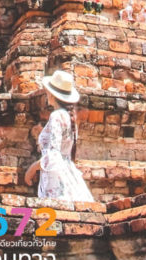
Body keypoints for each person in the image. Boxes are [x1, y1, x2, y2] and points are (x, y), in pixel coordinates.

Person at [24, 69, 94, 203]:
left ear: (51, 94)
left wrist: (32, 169)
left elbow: (53, 154)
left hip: (56, 176)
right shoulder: (70, 117)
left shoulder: (56, 116)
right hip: (67, 173)